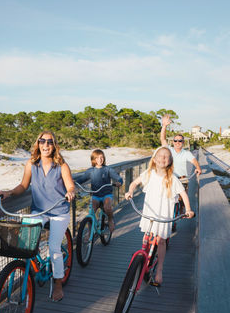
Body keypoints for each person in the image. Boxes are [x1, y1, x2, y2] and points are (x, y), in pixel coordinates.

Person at [0, 131, 75, 302]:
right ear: (38, 144)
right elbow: (23, 185)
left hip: (59, 212)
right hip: (39, 210)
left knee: (54, 248)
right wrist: (9, 193)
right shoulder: (31, 164)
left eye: (50, 142)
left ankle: (58, 284)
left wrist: (70, 192)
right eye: (42, 141)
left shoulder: (62, 165)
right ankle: (35, 263)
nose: (46, 145)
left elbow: (70, 185)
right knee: (24, 244)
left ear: (54, 145)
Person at [125, 147, 194, 287]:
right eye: (160, 156)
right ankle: (142, 259)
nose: (163, 158)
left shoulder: (172, 178)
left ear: (170, 161)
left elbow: (183, 194)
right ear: (154, 159)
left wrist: (188, 209)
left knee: (161, 241)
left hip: (163, 215)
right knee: (146, 237)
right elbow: (134, 183)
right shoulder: (149, 173)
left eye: (166, 156)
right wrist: (130, 191)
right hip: (149, 214)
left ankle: (159, 270)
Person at [76, 149, 123, 233]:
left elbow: (118, 177)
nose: (100, 159)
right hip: (95, 195)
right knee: (91, 212)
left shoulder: (107, 169)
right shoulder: (91, 171)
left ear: (104, 158)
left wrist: (119, 182)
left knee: (107, 207)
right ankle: (89, 232)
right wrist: (73, 183)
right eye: (97, 158)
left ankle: (110, 219)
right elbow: (82, 179)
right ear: (93, 159)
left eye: (101, 157)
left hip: (106, 194)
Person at [160, 114, 202, 184]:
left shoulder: (186, 153)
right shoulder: (169, 150)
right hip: (170, 179)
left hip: (183, 180)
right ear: (173, 142)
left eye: (180, 141)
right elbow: (162, 139)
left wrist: (198, 167)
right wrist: (164, 126)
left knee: (183, 195)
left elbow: (194, 160)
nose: (177, 142)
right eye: (175, 141)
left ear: (183, 142)